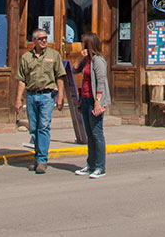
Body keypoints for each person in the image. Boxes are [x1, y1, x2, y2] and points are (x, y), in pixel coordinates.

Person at [14, 28, 65, 174]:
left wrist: (60, 96)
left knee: (43, 127)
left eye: (45, 38)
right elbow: (21, 80)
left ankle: (42, 160)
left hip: (47, 95)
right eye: (41, 38)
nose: (44, 41)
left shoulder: (54, 55)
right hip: (31, 95)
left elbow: (60, 76)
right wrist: (18, 99)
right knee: (34, 128)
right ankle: (37, 157)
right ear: (34, 40)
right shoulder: (26, 57)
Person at [72, 32, 110, 179]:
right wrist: (80, 57)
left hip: (95, 101)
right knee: (89, 134)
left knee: (96, 133)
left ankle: (100, 166)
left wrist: (98, 101)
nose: (82, 46)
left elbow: (101, 81)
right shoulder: (87, 60)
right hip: (85, 100)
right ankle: (91, 164)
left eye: (84, 43)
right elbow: (74, 69)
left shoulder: (98, 60)